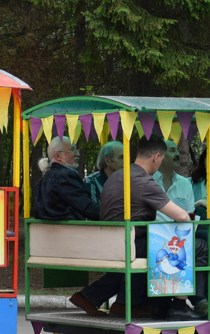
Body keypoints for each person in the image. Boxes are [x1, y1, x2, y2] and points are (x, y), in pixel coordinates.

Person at [68, 136, 197, 320]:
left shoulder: (117, 176)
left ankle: (90, 297)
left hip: (111, 241)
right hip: (129, 243)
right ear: (156, 157)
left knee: (151, 243)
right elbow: (183, 216)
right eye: (161, 160)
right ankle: (179, 304)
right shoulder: (143, 181)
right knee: (185, 245)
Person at [33, 136, 99, 221]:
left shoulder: (42, 181)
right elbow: (86, 208)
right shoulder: (64, 176)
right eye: (72, 150)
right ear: (58, 156)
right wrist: (111, 215)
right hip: (71, 232)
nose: (78, 154)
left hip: (49, 232)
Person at [153, 139, 196, 221]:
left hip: (178, 232)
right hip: (150, 232)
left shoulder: (185, 184)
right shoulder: (147, 181)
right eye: (172, 151)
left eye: (177, 151)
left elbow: (190, 215)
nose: (177, 154)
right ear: (158, 156)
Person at [85, 141, 123, 207]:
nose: (126, 161)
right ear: (108, 161)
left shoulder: (128, 181)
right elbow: (93, 211)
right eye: (121, 158)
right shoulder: (91, 182)